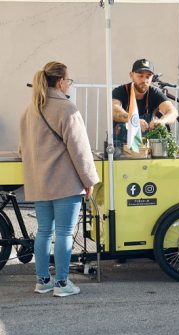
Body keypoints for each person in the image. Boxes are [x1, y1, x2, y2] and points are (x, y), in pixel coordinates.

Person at [19, 61, 100, 297]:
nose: (69, 84)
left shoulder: (30, 110)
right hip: (65, 183)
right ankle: (63, 284)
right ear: (60, 81)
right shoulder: (67, 109)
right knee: (64, 233)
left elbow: (23, 148)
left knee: (44, 231)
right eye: (69, 80)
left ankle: (43, 280)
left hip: (39, 182)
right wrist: (89, 180)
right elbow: (80, 150)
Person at [112, 58, 178, 147]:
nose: (144, 80)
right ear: (131, 75)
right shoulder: (120, 91)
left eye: (148, 76)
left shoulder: (154, 93)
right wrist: (134, 121)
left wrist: (162, 121)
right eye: (140, 76)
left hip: (144, 147)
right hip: (120, 146)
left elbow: (173, 112)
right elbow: (114, 110)